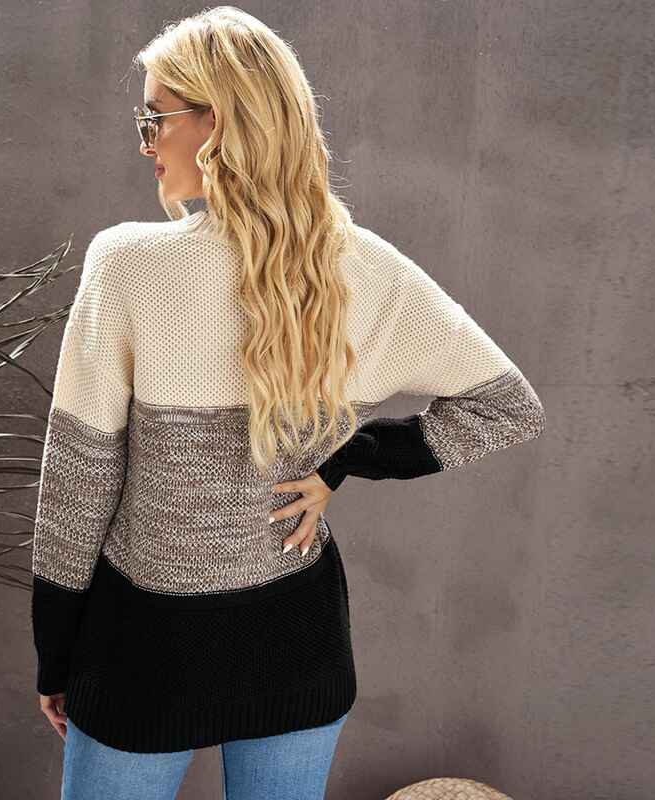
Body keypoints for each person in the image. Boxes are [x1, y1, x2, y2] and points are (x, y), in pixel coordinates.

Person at [30, 7, 546, 799]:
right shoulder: (363, 266)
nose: (145, 142)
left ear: (216, 122)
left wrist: (56, 655)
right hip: (297, 640)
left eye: (155, 117)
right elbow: (509, 406)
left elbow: (79, 482)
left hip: (144, 650)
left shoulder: (126, 265)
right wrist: (348, 458)